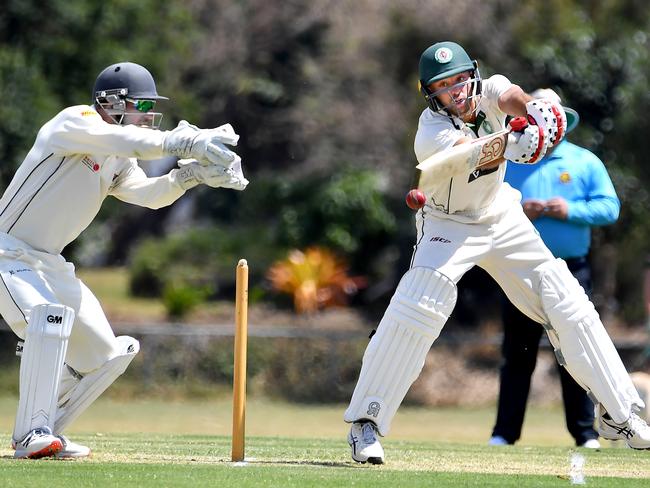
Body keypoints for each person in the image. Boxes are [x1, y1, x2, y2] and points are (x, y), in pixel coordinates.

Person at [344, 41, 650, 464]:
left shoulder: (486, 90)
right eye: (443, 87)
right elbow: (466, 154)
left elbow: (510, 95)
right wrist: (511, 142)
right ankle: (366, 424)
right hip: (447, 222)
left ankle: (621, 414)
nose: (456, 91)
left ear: (472, 74)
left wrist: (532, 110)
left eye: (459, 80)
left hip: (500, 213)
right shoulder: (430, 132)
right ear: (432, 95)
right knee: (419, 306)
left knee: (565, 298)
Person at [0, 61, 248, 459]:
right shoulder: (73, 123)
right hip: (6, 252)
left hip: (49, 263)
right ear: (112, 102)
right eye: (143, 104)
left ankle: (46, 433)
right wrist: (185, 142)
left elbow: (149, 195)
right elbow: (128, 140)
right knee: (48, 319)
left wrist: (192, 176)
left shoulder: (116, 157)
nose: (149, 115)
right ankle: (31, 434)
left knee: (107, 355)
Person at [488, 88, 620, 449]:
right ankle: (504, 434)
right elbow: (486, 206)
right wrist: (518, 210)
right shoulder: (510, 159)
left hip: (571, 269)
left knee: (576, 350)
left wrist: (571, 210)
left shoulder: (584, 161)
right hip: (517, 270)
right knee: (517, 353)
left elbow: (610, 208)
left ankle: (585, 433)